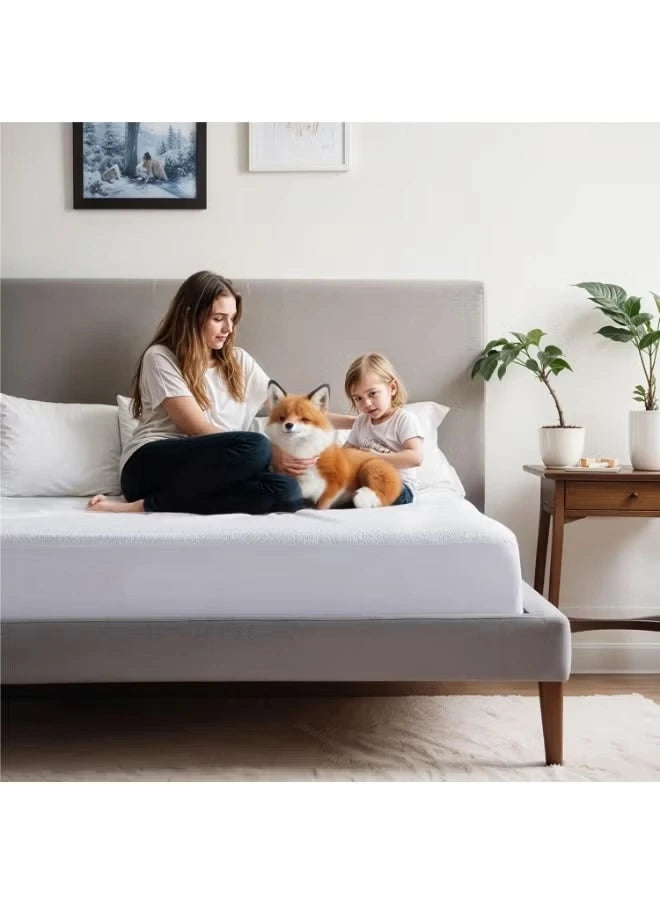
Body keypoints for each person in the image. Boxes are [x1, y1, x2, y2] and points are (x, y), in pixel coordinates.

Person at [88, 271, 347, 515]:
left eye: (232, 319)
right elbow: (196, 427)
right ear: (191, 315)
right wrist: (270, 452)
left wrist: (361, 421)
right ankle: (147, 502)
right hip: (150, 466)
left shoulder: (239, 361)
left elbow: (296, 411)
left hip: (216, 472)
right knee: (257, 446)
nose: (229, 328)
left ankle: (154, 504)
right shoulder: (160, 357)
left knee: (289, 493)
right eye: (218, 318)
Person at [343, 353, 423, 505]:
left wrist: (377, 457)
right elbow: (345, 452)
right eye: (358, 398)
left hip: (399, 485)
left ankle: (364, 499)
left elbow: (415, 458)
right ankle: (359, 499)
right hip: (366, 483)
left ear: (392, 388)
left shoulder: (403, 419)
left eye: (372, 394)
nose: (366, 403)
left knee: (364, 491)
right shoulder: (361, 422)